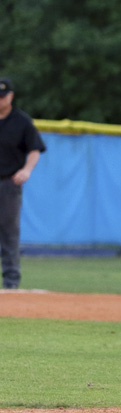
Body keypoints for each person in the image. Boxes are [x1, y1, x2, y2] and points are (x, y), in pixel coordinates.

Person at [0, 77, 46, 290]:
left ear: (10, 96)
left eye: (2, 96)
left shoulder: (21, 121)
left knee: (9, 231)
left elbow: (35, 149)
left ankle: (11, 282)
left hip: (8, 183)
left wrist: (26, 170)